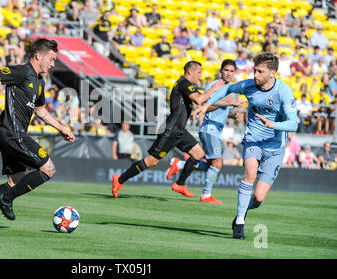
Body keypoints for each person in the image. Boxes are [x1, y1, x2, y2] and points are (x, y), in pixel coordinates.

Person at [0, 38, 75, 229]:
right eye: (52, 59)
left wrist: (62, 128)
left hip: (12, 134)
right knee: (49, 170)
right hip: (12, 133)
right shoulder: (22, 71)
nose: (53, 64)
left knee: (15, 182)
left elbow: (41, 111)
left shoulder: (39, 82)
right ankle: (5, 199)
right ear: (39, 56)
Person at [192, 52, 298, 240]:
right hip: (253, 139)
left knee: (258, 198)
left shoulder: (284, 91)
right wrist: (205, 104)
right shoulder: (249, 86)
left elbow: (293, 124)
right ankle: (239, 221)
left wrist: (273, 124)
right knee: (250, 172)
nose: (255, 75)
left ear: (273, 73)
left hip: (275, 148)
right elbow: (227, 89)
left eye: (260, 71)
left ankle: (244, 210)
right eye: (254, 70)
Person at [111, 61, 225, 199]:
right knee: (151, 161)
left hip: (179, 130)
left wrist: (227, 103)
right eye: (199, 72)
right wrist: (213, 88)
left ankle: (180, 184)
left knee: (198, 154)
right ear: (190, 72)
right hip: (170, 130)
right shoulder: (184, 84)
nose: (200, 76)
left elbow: (204, 103)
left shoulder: (188, 87)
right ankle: (120, 179)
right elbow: (200, 100)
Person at [166, 60, 244, 204]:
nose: (228, 73)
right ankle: (206, 195)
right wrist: (227, 103)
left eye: (231, 71)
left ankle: (179, 165)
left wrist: (231, 112)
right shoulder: (213, 86)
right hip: (209, 128)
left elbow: (222, 109)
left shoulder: (231, 90)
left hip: (216, 129)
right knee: (217, 163)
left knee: (212, 163)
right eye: (226, 70)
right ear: (221, 71)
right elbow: (203, 107)